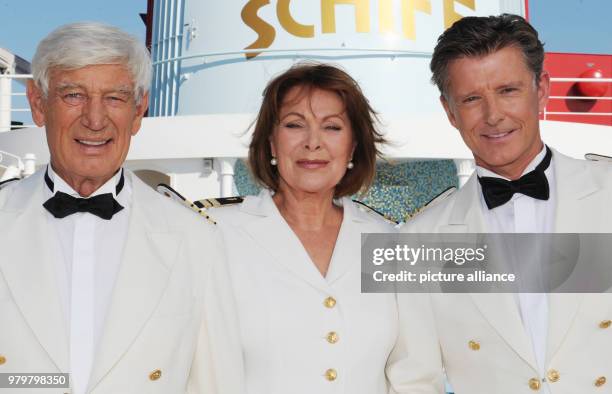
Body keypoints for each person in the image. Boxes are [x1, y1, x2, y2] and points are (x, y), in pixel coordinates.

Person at [0, 22, 243, 394]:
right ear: (38, 104)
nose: (95, 119)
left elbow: (216, 384)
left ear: (139, 110)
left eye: (115, 97)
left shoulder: (197, 240)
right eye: (73, 95)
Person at [387, 14, 612, 394]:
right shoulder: (416, 242)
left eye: (508, 90)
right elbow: (414, 381)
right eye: (472, 98)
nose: (493, 116)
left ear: (541, 90)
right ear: (449, 111)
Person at [206, 63, 398, 394]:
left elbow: (412, 372)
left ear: (353, 147)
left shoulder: (389, 240)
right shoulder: (217, 236)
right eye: (295, 125)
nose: (313, 143)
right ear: (270, 143)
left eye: (332, 127)